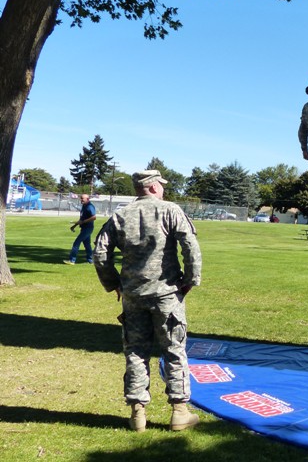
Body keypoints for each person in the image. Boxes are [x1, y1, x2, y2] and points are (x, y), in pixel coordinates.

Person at [94, 170, 202, 433]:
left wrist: (114, 283)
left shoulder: (120, 215)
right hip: (167, 294)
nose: (163, 189)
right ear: (153, 187)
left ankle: (137, 414)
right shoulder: (170, 210)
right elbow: (190, 246)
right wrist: (190, 279)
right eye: (161, 185)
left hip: (133, 296)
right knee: (174, 350)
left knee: (135, 352)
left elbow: (100, 252)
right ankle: (179, 411)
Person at [64, 194, 96, 265]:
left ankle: (72, 260)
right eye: (81, 198)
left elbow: (94, 217)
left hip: (88, 228)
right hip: (84, 228)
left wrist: (84, 222)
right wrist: (74, 226)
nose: (81, 200)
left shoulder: (90, 206)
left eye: (82, 199)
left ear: (87, 199)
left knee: (76, 243)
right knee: (87, 245)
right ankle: (91, 261)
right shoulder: (84, 206)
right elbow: (81, 219)